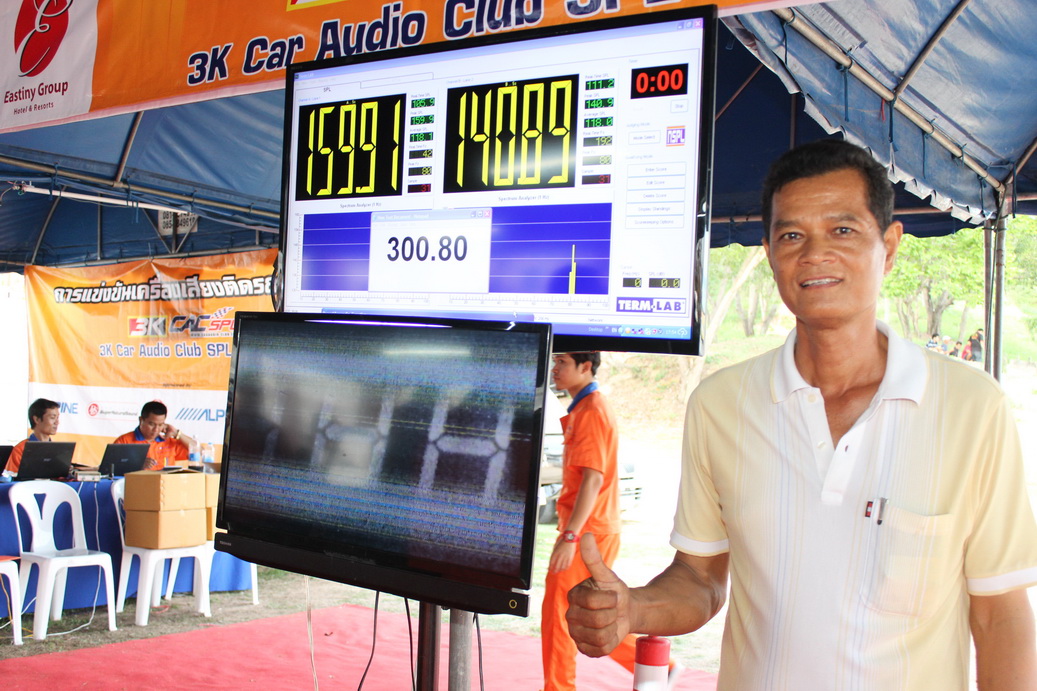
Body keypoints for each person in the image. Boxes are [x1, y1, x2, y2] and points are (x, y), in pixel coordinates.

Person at [566, 140, 1037, 689]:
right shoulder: (720, 406)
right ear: (769, 254)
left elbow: (1000, 614)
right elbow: (700, 577)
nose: (815, 254)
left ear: (888, 247)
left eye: (843, 230)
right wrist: (634, 608)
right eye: (792, 236)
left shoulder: (971, 407)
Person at [541, 352, 678, 691]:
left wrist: (571, 536)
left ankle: (559, 687)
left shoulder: (591, 410)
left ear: (586, 367)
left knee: (561, 612)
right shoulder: (585, 407)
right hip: (592, 528)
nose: (555, 369)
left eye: (562, 362)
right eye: (555, 362)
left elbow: (593, 479)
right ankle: (657, 666)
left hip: (587, 532)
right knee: (587, 611)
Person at [113, 401, 195, 469]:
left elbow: (198, 452)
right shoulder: (124, 441)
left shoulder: (169, 441)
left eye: (160, 425)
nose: (156, 429)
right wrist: (138, 465)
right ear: (141, 420)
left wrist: (177, 433)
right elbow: (111, 469)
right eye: (151, 424)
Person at [3, 398, 61, 477]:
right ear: (37, 419)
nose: (57, 422)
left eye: (57, 418)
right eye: (52, 417)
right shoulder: (20, 450)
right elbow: (11, 479)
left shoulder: (59, 450)